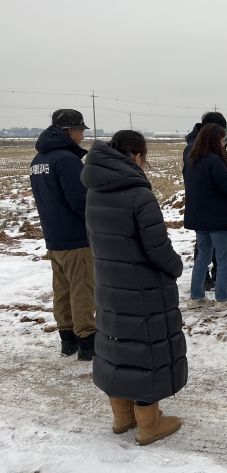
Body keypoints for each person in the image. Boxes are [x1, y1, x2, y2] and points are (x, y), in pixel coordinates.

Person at [81, 131, 186, 446]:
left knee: (118, 349)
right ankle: (149, 424)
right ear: (137, 156)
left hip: (109, 285)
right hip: (143, 288)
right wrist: (176, 267)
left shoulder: (94, 191)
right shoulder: (139, 195)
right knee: (146, 352)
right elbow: (157, 248)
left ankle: (122, 417)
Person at [30, 109, 96, 360]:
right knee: (82, 289)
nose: (82, 135)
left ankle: (67, 339)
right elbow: (79, 200)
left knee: (62, 289)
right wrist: (95, 222)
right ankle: (87, 341)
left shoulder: (38, 160)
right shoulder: (67, 160)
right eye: (80, 130)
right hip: (75, 238)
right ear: (67, 131)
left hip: (54, 236)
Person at [184, 124, 227, 310]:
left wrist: (226, 168)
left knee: (202, 258)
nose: (224, 142)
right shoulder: (214, 161)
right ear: (215, 140)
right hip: (217, 218)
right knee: (223, 259)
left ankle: (196, 297)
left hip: (199, 218)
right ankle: (222, 299)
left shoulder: (193, 160)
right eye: (223, 139)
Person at [182, 112, 227, 291]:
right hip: (208, 206)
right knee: (209, 252)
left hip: (202, 207)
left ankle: (202, 289)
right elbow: (201, 176)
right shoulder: (195, 148)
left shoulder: (203, 144)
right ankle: (216, 291)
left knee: (207, 251)